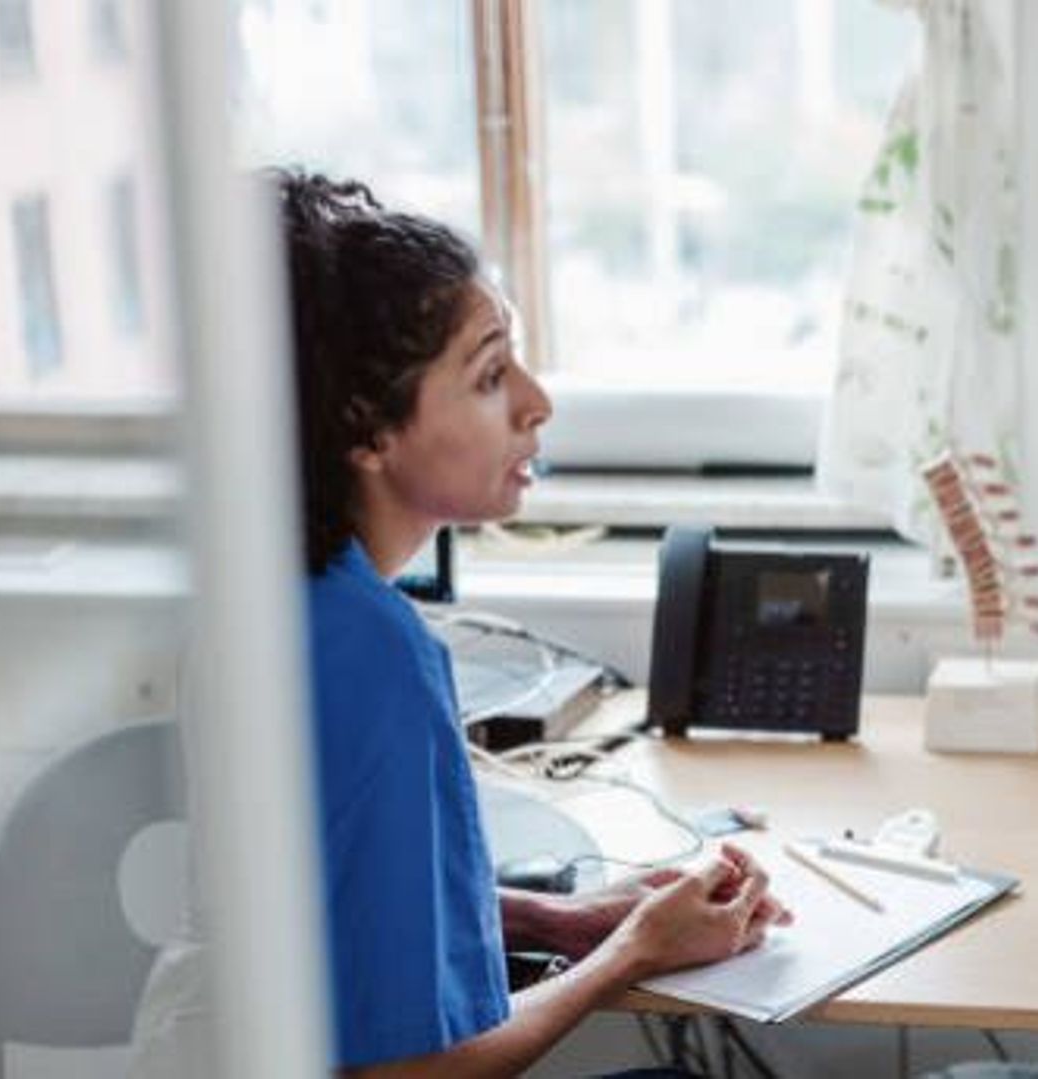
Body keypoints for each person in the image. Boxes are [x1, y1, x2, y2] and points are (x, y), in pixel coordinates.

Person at [133, 170, 788, 1078]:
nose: (535, 401)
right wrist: (629, 954)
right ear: (366, 429)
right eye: (488, 374)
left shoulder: (271, 599)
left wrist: (559, 918)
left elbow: (337, 914)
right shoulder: (374, 655)